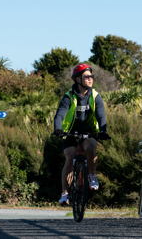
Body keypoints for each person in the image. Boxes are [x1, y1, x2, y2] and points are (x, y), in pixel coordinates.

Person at [53, 63, 109, 206]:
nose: (91, 79)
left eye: (92, 76)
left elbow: (101, 115)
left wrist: (103, 131)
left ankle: (91, 175)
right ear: (78, 80)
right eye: (87, 76)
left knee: (90, 148)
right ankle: (65, 194)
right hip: (70, 132)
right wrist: (58, 128)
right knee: (70, 155)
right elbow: (60, 114)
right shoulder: (68, 96)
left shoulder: (95, 96)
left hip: (89, 131)